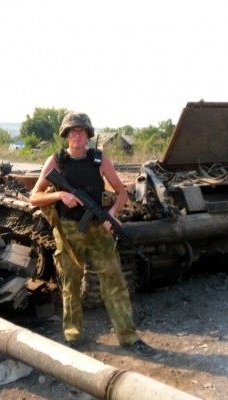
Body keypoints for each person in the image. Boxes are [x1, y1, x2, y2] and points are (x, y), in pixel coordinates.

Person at [29, 112, 156, 357]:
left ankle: (129, 337)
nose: (77, 135)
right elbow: (35, 196)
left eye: (81, 131)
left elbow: (121, 192)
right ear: (66, 135)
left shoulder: (99, 159)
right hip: (67, 231)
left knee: (114, 283)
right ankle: (73, 336)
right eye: (72, 131)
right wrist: (59, 195)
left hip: (99, 229)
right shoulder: (56, 161)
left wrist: (114, 214)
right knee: (71, 284)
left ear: (88, 134)